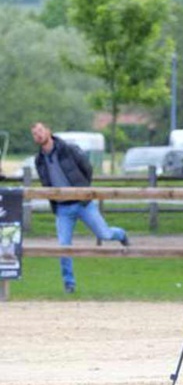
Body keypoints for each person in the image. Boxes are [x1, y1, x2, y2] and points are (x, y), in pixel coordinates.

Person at [31, 122, 129, 294]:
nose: (38, 135)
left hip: (83, 203)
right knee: (64, 246)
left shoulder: (68, 148)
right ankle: (69, 284)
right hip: (62, 208)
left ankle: (121, 234)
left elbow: (87, 168)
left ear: (48, 130)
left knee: (104, 234)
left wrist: (83, 189)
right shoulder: (39, 159)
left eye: (40, 130)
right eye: (34, 133)